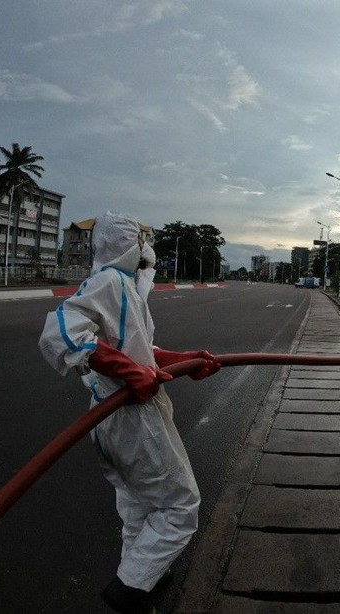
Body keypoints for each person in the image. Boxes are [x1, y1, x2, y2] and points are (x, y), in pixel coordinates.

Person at [39, 212, 221, 613]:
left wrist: (186, 360)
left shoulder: (126, 288)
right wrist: (129, 373)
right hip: (132, 416)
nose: (145, 251)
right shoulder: (109, 282)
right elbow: (61, 333)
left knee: (138, 501)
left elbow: (141, 352)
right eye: (139, 242)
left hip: (113, 417)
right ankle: (131, 587)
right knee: (179, 506)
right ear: (126, 246)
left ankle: (145, 571)